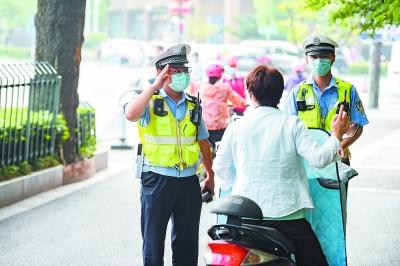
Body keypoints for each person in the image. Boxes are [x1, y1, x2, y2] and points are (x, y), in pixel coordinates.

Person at [214, 65, 350, 266]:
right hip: (287, 216)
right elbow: (319, 159)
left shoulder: (236, 126)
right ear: (280, 94)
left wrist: (240, 188)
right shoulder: (291, 124)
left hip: (245, 215)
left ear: (250, 94)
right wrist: (337, 135)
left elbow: (221, 169)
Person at [124, 44, 214, 266]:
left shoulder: (193, 104)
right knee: (153, 244)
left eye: (184, 70)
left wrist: (210, 174)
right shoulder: (147, 99)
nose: (182, 75)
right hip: (156, 180)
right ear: (161, 73)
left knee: (187, 244)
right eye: (175, 71)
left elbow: (203, 140)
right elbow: (130, 114)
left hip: (188, 181)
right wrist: (154, 86)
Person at [284, 34, 369, 165]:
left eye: (324, 56)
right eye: (314, 57)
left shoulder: (348, 90)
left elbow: (358, 126)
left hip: (338, 160)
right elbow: (287, 129)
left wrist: (341, 145)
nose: (319, 61)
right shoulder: (297, 92)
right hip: (307, 161)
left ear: (333, 58)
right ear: (306, 59)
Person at [198, 62, 246, 152]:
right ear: (220, 76)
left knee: (206, 150)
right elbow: (237, 101)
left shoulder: (201, 88)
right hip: (220, 126)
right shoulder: (224, 88)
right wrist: (245, 104)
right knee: (221, 149)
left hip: (205, 126)